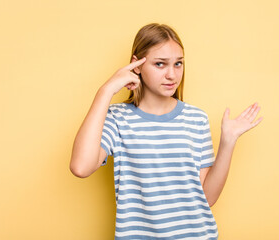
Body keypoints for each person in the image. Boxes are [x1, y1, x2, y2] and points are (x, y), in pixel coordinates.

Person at [70, 23, 263, 239]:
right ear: (137, 65)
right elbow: (81, 167)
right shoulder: (117, 118)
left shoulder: (195, 119)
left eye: (178, 64)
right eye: (160, 64)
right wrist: (105, 91)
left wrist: (228, 141)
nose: (172, 74)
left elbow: (206, 197)